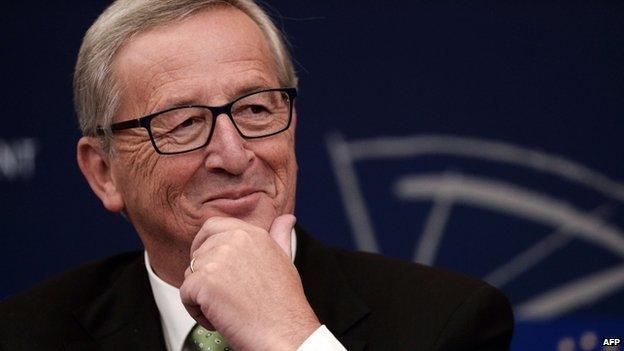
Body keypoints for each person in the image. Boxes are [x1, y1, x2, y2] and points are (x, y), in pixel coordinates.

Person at [0, 0, 514, 350]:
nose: (233, 153)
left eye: (256, 111)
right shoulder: (24, 335)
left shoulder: (446, 322)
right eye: (182, 123)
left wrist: (289, 337)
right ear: (104, 172)